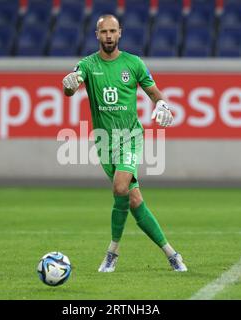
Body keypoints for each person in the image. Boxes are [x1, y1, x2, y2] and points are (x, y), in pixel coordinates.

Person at [62, 14, 187, 272]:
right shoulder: (87, 64)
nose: (108, 36)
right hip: (104, 142)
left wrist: (162, 104)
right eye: (104, 31)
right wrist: (68, 85)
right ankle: (172, 254)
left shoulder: (134, 63)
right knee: (134, 200)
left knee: (120, 187)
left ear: (120, 33)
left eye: (113, 31)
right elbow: (71, 86)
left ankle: (112, 253)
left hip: (130, 137)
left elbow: (154, 92)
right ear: (97, 34)